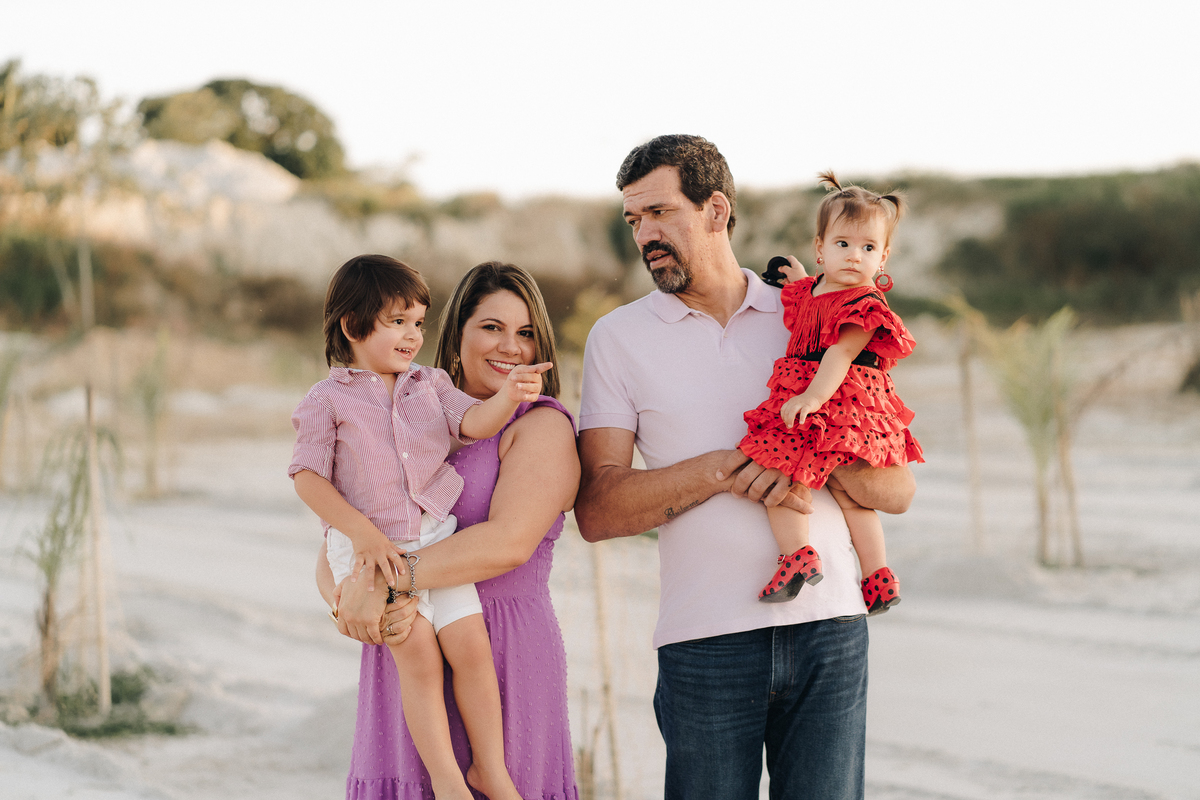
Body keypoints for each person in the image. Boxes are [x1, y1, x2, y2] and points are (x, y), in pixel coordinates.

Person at [575, 135, 916, 800]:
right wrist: (722, 469)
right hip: (705, 641)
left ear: (716, 210)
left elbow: (897, 489)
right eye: (634, 219)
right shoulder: (616, 339)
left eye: (660, 212)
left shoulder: (808, 314)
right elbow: (598, 509)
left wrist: (806, 451)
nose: (645, 235)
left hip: (830, 631)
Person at [315, 261, 581, 800]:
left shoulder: (541, 425)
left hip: (500, 647)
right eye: (492, 327)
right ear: (457, 332)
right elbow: (335, 537)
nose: (511, 347)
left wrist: (384, 583)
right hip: (404, 634)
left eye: (526, 333)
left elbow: (507, 544)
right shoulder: (399, 417)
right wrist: (347, 603)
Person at [740, 172, 924, 611]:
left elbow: (839, 354)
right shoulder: (818, 289)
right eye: (843, 244)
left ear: (883, 258)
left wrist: (811, 399)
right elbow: (809, 302)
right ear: (820, 248)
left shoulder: (866, 305)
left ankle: (799, 556)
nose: (855, 256)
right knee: (839, 492)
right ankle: (877, 578)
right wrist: (799, 276)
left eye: (868, 248)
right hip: (825, 395)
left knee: (783, 465)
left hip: (840, 400)